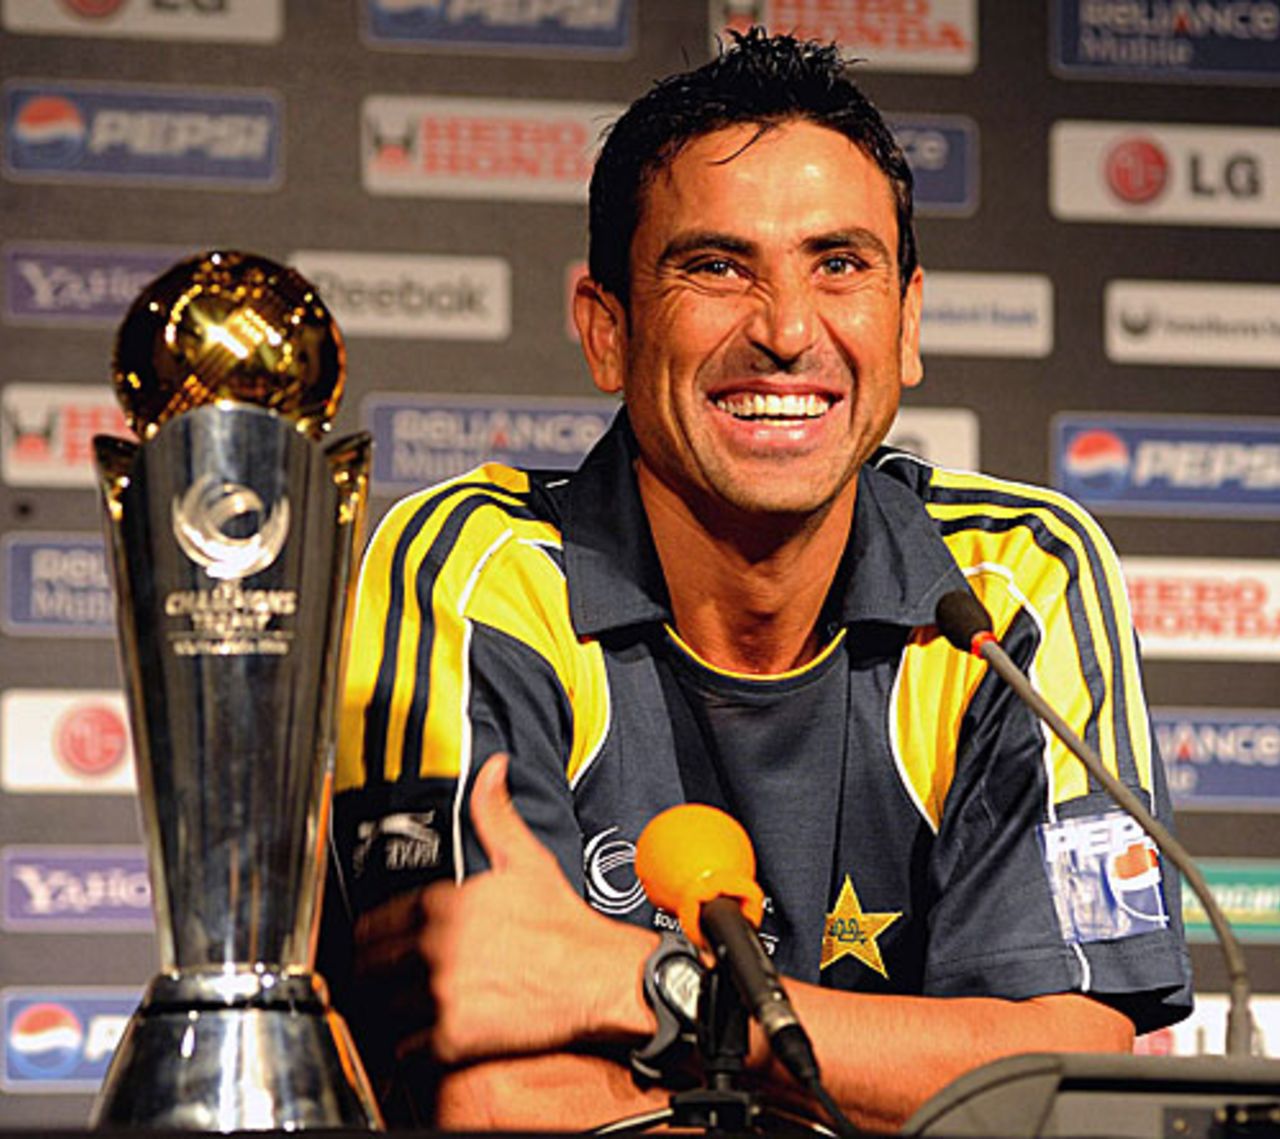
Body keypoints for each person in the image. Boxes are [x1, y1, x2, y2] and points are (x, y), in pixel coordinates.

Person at [328, 29, 1192, 1132]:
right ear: (607, 331)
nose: (786, 330)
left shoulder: (1016, 577)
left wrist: (639, 987)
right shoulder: (471, 567)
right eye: (715, 267)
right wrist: (899, 1076)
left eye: (839, 264)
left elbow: (1064, 1074)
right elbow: (491, 1088)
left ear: (907, 322)